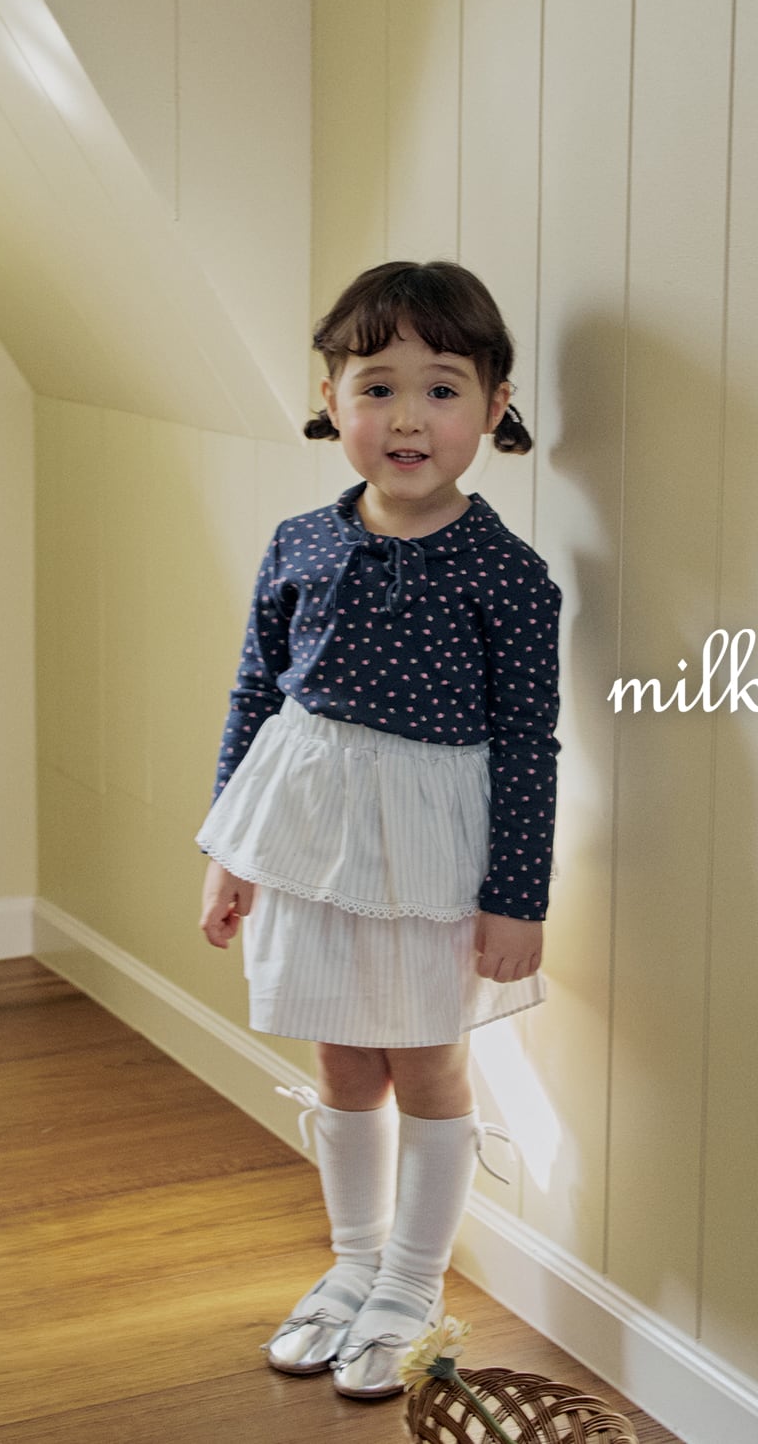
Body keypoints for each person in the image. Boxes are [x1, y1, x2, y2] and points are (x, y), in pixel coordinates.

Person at [195, 260, 562, 1400]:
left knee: (426, 1060)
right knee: (343, 1057)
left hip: (429, 851)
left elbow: (529, 745)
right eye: (378, 387)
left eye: (442, 389)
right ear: (332, 399)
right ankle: (354, 1263)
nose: (409, 418)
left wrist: (517, 898)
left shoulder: (510, 577)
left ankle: (411, 1280)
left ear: (493, 407)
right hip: (302, 833)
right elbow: (255, 697)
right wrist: (229, 852)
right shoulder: (299, 543)